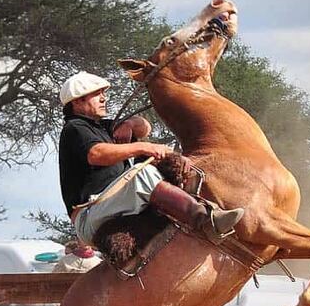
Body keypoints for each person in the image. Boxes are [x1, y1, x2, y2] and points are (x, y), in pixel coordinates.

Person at [57, 71, 244, 253]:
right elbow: (96, 154)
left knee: (159, 170)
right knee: (144, 174)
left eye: (103, 93)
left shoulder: (105, 127)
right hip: (89, 214)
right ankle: (206, 220)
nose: (103, 98)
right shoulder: (74, 127)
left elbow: (145, 127)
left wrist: (129, 124)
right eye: (97, 94)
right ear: (78, 101)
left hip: (110, 203)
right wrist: (143, 147)